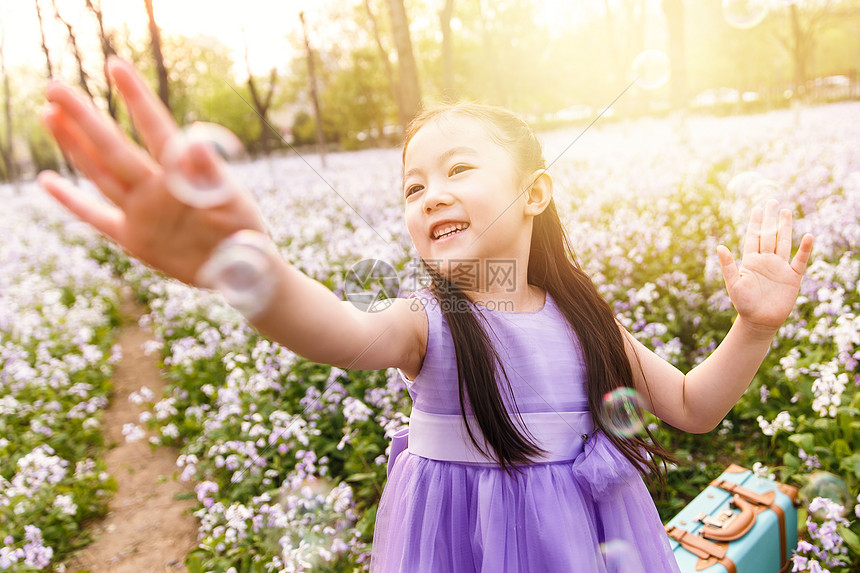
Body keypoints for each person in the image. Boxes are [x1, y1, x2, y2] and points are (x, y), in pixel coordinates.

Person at [38, 57, 814, 572]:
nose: (430, 193)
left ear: (535, 194)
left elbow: (692, 405)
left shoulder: (587, 319)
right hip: (456, 547)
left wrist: (753, 327)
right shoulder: (426, 322)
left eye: (459, 169)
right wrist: (248, 269)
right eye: (413, 187)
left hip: (583, 547)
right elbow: (337, 330)